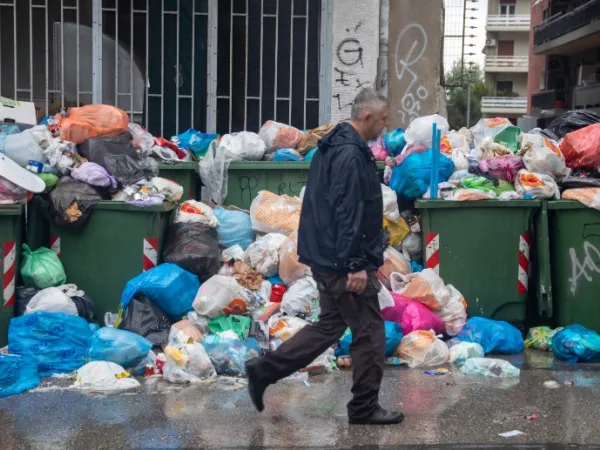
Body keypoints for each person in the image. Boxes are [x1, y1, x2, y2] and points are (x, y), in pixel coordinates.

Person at [246, 88, 403, 425]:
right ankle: (364, 408)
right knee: (370, 333)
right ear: (366, 117)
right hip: (341, 261)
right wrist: (356, 265)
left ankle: (264, 370)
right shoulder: (348, 154)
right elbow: (347, 213)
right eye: (382, 119)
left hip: (324, 256)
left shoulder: (333, 147)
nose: (385, 126)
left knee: (331, 325)